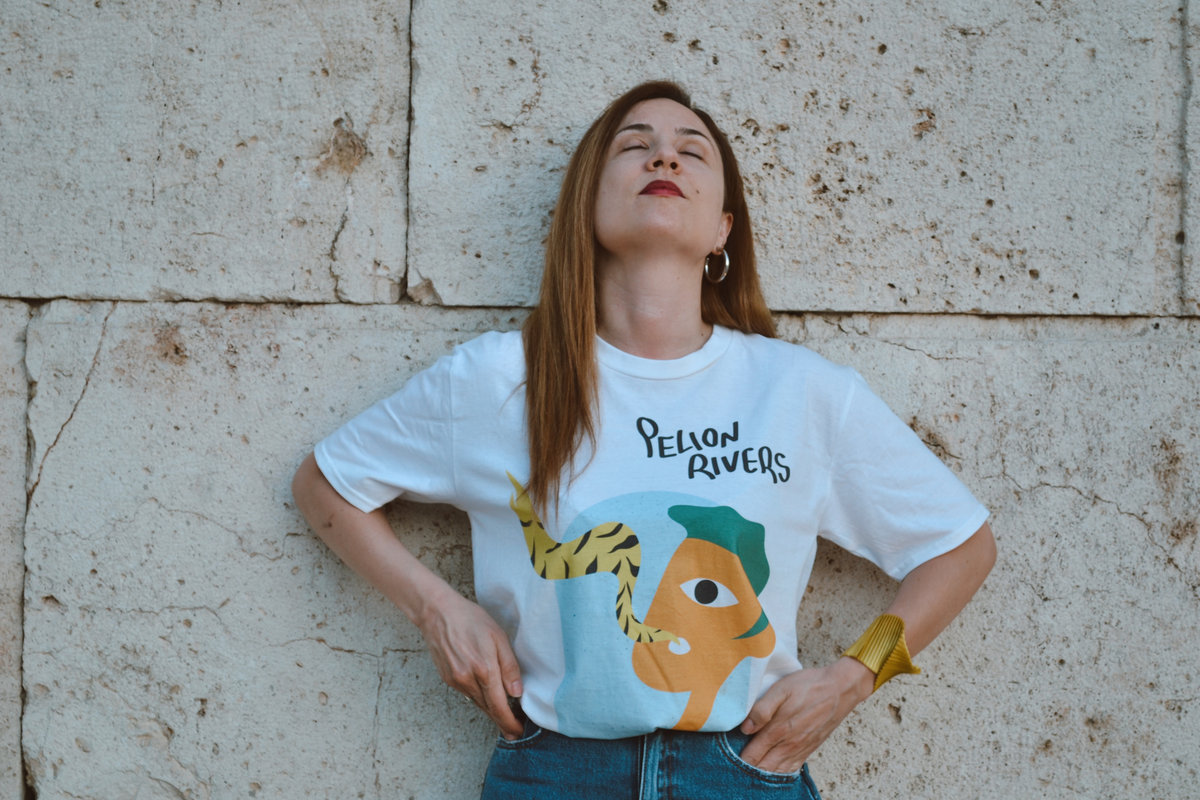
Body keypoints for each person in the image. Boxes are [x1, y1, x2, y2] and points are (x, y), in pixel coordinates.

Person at [292, 80, 996, 799]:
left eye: (693, 150)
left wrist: (853, 677)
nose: (665, 158)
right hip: (556, 774)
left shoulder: (802, 391)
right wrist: (437, 610)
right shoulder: (499, 379)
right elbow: (326, 485)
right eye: (635, 146)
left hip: (744, 774)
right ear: (587, 206)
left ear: (722, 229)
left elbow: (962, 547)